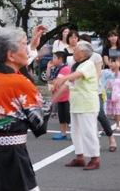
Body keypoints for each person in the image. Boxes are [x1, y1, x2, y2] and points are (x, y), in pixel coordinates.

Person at [0, 27, 51, 191]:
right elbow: (39, 125)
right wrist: (54, 95)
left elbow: (17, 70)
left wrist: (32, 46)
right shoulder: (20, 83)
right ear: (11, 55)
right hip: (12, 154)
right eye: (23, 45)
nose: (27, 49)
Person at [53, 41, 100, 170]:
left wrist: (63, 78)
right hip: (76, 104)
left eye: (77, 49)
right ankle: (80, 156)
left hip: (87, 104)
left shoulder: (88, 64)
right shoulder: (77, 66)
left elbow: (76, 76)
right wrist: (55, 98)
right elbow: (69, 84)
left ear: (84, 53)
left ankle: (95, 158)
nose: (74, 51)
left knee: (88, 132)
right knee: (75, 132)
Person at [80, 34, 117, 152]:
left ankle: (111, 138)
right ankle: (93, 142)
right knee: (86, 117)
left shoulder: (96, 57)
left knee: (100, 114)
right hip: (81, 92)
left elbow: (97, 74)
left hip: (96, 91)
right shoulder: (77, 57)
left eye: (83, 44)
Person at [46, 51, 71, 140]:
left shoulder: (65, 68)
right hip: (60, 97)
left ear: (60, 59)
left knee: (69, 118)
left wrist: (51, 82)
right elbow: (48, 78)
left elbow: (56, 81)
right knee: (62, 117)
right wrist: (48, 68)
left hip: (66, 97)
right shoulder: (56, 68)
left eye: (54, 58)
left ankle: (76, 134)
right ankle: (63, 134)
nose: (52, 60)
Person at [103, 57, 120, 131]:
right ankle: (106, 126)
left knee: (117, 110)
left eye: (113, 62)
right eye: (110, 62)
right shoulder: (106, 71)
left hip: (117, 93)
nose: (111, 64)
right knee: (106, 110)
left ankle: (118, 125)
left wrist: (117, 66)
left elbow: (116, 74)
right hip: (108, 91)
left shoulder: (118, 73)